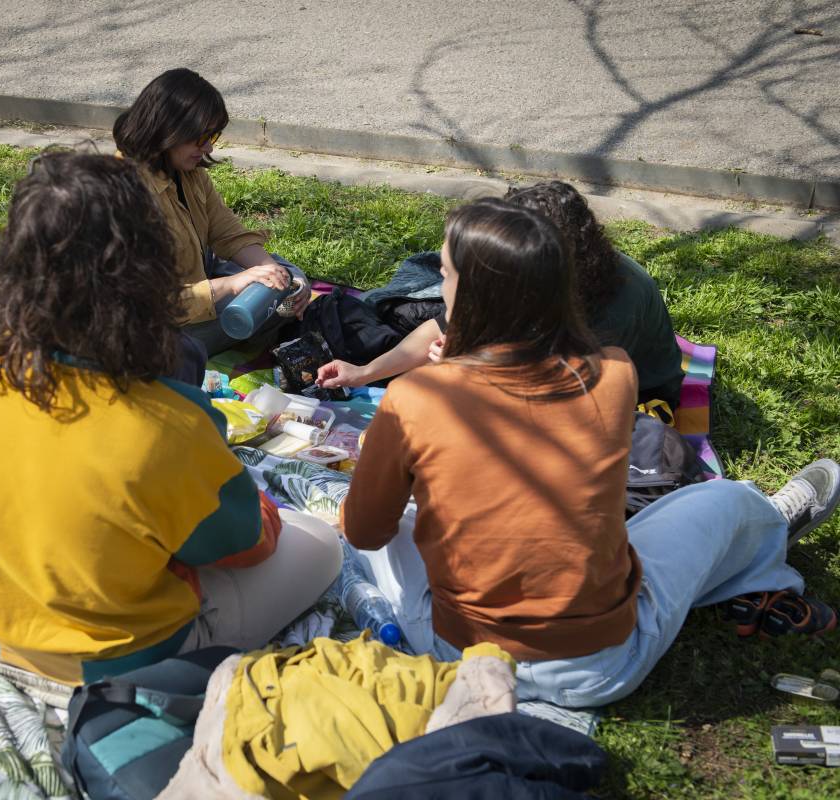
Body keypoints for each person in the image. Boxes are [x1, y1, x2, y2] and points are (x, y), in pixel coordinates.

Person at [340, 198, 837, 708]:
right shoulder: (616, 374)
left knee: (378, 524)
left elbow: (364, 531)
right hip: (602, 665)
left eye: (444, 275)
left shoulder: (418, 398)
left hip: (459, 650)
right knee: (726, 500)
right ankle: (758, 537)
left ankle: (740, 557)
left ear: (472, 294)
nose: (440, 288)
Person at [0, 152, 341, 696]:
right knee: (322, 544)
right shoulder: (165, 420)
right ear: (146, 272)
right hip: (106, 662)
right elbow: (248, 544)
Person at [317, 181, 685, 409]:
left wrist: (470, 373)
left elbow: (563, 406)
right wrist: (365, 372)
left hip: (627, 401)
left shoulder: (612, 310)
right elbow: (446, 323)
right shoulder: (521, 275)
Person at [114, 68, 311, 356]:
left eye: (213, 136)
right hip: (154, 326)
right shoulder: (122, 194)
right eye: (201, 137)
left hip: (200, 283)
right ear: (169, 130)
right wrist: (231, 285)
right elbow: (148, 303)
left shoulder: (188, 172)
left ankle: (278, 299)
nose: (208, 147)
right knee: (270, 306)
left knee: (285, 274)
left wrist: (272, 274)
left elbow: (228, 234)